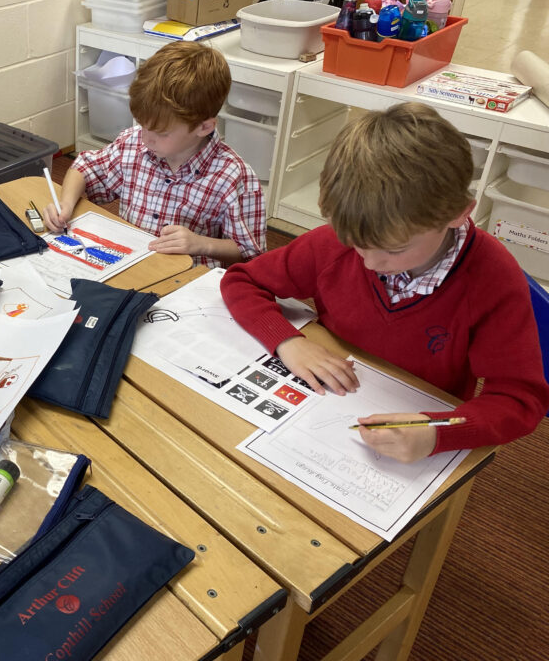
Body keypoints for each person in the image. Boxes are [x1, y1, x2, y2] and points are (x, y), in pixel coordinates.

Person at [221, 102, 548, 462]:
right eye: (356, 244)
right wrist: (287, 341)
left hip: (416, 427)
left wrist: (440, 431)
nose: (370, 262)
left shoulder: (492, 278)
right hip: (333, 405)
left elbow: (520, 399)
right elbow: (241, 281)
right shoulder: (334, 244)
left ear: (457, 215)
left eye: (394, 250)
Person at [44, 41, 265, 267]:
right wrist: (66, 205)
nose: (146, 138)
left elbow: (250, 252)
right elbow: (85, 169)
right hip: (129, 264)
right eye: (143, 125)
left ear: (204, 128)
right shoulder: (133, 144)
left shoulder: (234, 177)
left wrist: (200, 244)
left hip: (185, 282)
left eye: (161, 132)